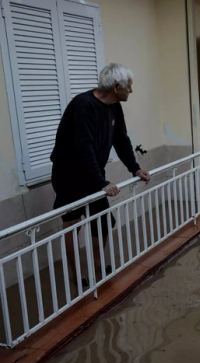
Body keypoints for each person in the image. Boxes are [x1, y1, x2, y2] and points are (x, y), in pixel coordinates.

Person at [50, 63, 150, 279]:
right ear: (116, 87)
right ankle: (76, 273)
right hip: (69, 175)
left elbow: (121, 139)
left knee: (104, 221)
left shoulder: (114, 106)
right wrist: (101, 182)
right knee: (72, 225)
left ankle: (97, 263)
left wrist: (135, 169)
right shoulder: (82, 105)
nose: (131, 90)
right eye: (128, 86)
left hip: (92, 174)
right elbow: (82, 147)